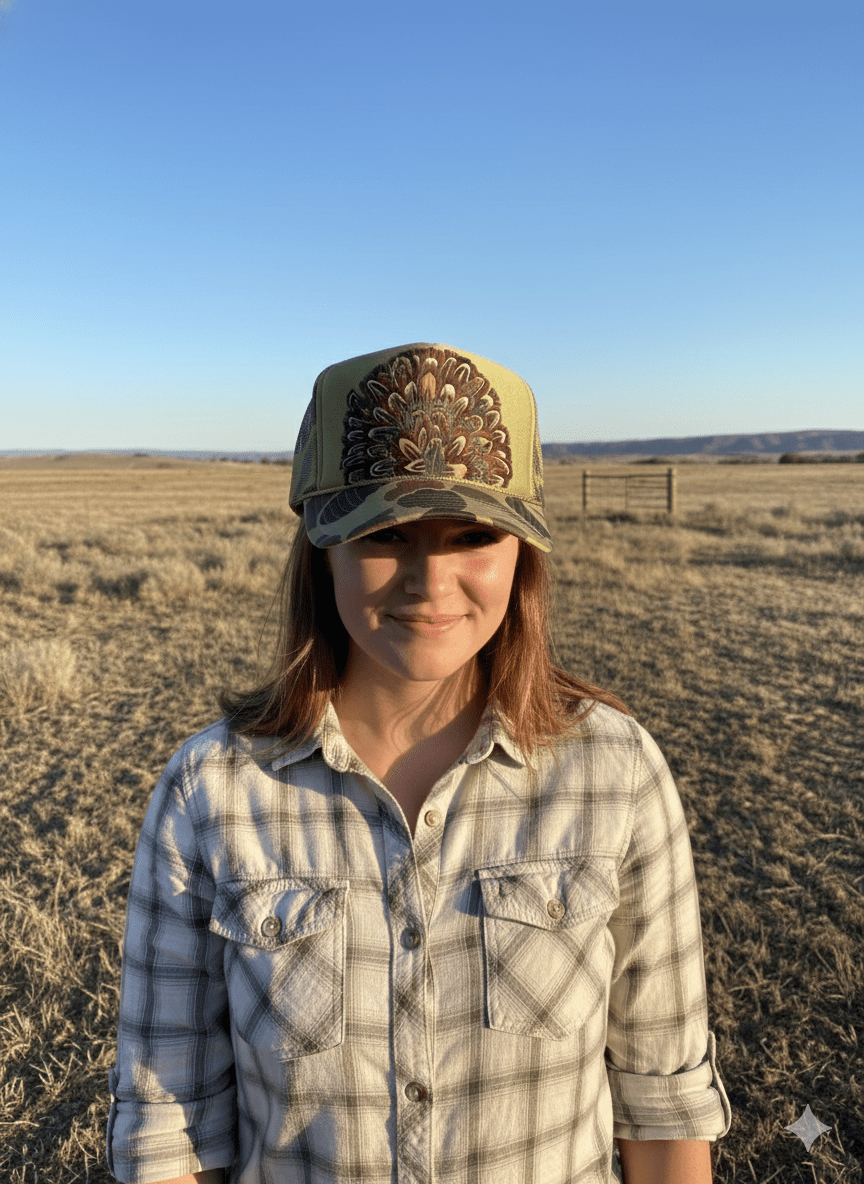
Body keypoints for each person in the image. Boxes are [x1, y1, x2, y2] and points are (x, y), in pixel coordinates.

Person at [107, 343, 732, 1183]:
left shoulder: (616, 774)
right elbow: (167, 1129)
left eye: (473, 534)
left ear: (523, 553)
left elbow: (663, 1106)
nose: (430, 579)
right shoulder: (209, 793)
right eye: (385, 533)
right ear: (321, 545)